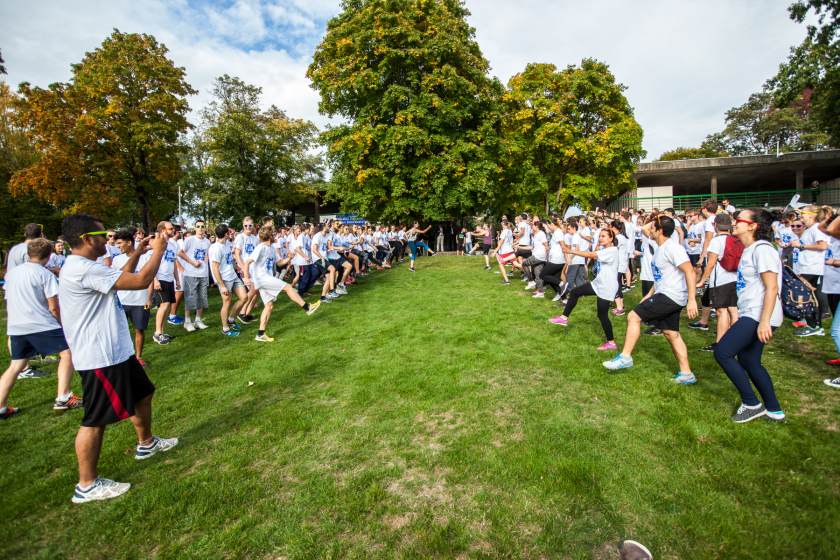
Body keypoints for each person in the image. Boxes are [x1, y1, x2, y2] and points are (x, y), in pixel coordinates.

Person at [59, 214, 178, 504]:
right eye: (103, 235)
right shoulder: (83, 269)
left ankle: (146, 443)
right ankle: (87, 484)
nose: (108, 240)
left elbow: (121, 276)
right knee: (95, 418)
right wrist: (159, 252)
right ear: (86, 239)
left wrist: (137, 252)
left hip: (116, 350)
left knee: (143, 394)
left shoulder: (88, 267)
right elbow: (138, 281)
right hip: (100, 356)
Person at [604, 216, 699, 385]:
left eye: (654, 227)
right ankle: (686, 374)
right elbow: (663, 275)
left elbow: (690, 272)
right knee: (671, 333)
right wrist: (649, 294)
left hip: (672, 295)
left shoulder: (673, 248)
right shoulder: (660, 247)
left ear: (660, 230)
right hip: (665, 293)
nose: (649, 229)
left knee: (633, 317)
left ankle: (625, 357)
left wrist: (692, 300)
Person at [714, 208, 786, 422]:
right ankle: (774, 410)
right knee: (749, 360)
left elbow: (772, 288)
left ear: (753, 226)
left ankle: (751, 403)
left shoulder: (763, 250)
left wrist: (764, 322)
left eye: (739, 219)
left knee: (723, 352)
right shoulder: (751, 248)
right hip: (754, 313)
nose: (734, 222)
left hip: (759, 315)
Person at [1, 238, 82, 421]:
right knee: (67, 353)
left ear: (29, 253)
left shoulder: (12, 274)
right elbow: (54, 306)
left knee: (16, 365)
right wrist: (61, 324)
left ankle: (0, 406)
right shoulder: (45, 274)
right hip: (40, 323)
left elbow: (9, 297)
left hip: (16, 324)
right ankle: (64, 397)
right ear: (49, 255)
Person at [242, 225, 321, 342]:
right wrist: (247, 277)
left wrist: (289, 258)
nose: (275, 237)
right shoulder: (260, 248)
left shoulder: (272, 248)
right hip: (262, 278)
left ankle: (260, 334)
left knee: (269, 306)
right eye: (273, 235)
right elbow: (247, 262)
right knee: (288, 287)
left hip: (266, 278)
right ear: (269, 236)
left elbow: (279, 263)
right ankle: (307, 307)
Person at [550, 228, 620, 351]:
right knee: (575, 292)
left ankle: (611, 343)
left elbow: (592, 255)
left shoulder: (612, 250)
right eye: (600, 236)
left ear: (611, 238)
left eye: (604, 236)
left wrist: (572, 251)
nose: (601, 238)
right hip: (599, 283)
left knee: (602, 315)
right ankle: (564, 318)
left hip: (607, 286)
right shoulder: (607, 250)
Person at [694, 214, 740, 352]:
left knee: (721, 311)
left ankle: (720, 343)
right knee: (733, 310)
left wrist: (702, 281)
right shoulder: (736, 239)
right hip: (735, 279)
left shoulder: (716, 241)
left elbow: (711, 263)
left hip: (721, 280)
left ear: (715, 225)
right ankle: (736, 340)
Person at [111, 228, 154, 367]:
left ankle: (138, 357)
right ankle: (122, 358)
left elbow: (150, 279)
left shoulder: (144, 257)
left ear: (129, 243)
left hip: (140, 301)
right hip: (122, 301)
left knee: (139, 330)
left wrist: (149, 298)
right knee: (119, 331)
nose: (117, 246)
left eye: (119, 243)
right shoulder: (117, 260)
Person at [209, 224, 246, 337]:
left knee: (244, 297)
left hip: (233, 276)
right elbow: (215, 269)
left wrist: (239, 268)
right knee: (227, 303)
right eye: (229, 232)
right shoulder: (215, 248)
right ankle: (225, 328)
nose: (231, 233)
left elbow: (231, 260)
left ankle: (231, 319)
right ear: (226, 234)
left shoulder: (227, 245)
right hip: (224, 279)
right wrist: (222, 285)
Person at [152, 221, 180, 345]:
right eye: (171, 228)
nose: (173, 230)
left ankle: (162, 332)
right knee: (164, 305)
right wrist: (155, 280)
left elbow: (174, 263)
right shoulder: (156, 243)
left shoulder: (172, 245)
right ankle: (157, 333)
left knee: (167, 306)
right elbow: (151, 263)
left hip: (169, 279)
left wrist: (177, 279)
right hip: (160, 278)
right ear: (163, 230)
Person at [233, 217, 260, 324]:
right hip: (247, 267)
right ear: (243, 226)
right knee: (253, 289)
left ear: (253, 225)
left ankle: (247, 313)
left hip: (255, 267)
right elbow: (237, 254)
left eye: (250, 225)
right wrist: (244, 268)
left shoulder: (254, 238)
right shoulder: (240, 237)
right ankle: (241, 312)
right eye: (246, 226)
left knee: (257, 291)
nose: (248, 227)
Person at [540, 219, 567, 302]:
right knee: (553, 279)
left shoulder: (558, 232)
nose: (547, 227)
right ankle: (564, 300)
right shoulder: (556, 232)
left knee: (542, 275)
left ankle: (562, 284)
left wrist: (567, 259)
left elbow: (563, 246)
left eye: (548, 225)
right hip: (556, 259)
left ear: (552, 224)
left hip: (557, 260)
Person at [522, 221, 548, 298]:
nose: (532, 227)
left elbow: (546, 245)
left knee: (524, 264)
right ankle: (541, 292)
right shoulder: (536, 234)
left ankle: (531, 281)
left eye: (533, 226)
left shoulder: (541, 234)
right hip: (538, 255)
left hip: (539, 256)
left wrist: (548, 256)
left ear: (537, 227)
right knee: (538, 274)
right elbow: (532, 247)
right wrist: (520, 247)